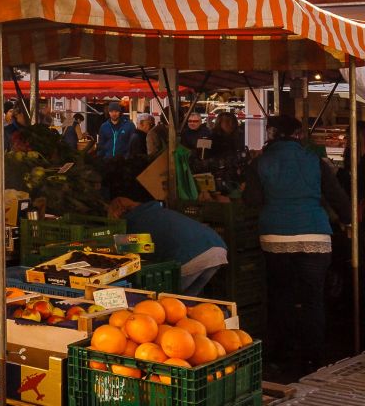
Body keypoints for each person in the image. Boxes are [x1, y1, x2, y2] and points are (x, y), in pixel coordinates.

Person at [245, 114, 350, 375]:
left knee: (282, 296)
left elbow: (252, 200)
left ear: (271, 134)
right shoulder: (315, 161)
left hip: (276, 236)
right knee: (313, 298)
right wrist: (347, 220)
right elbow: (338, 198)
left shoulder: (260, 163)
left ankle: (282, 355)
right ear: (298, 135)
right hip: (315, 236)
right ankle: (313, 358)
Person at [105, 181, 227, 295]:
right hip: (217, 248)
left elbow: (129, 253)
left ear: (118, 214)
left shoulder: (134, 224)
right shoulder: (155, 212)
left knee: (169, 301)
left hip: (190, 256)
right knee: (186, 301)